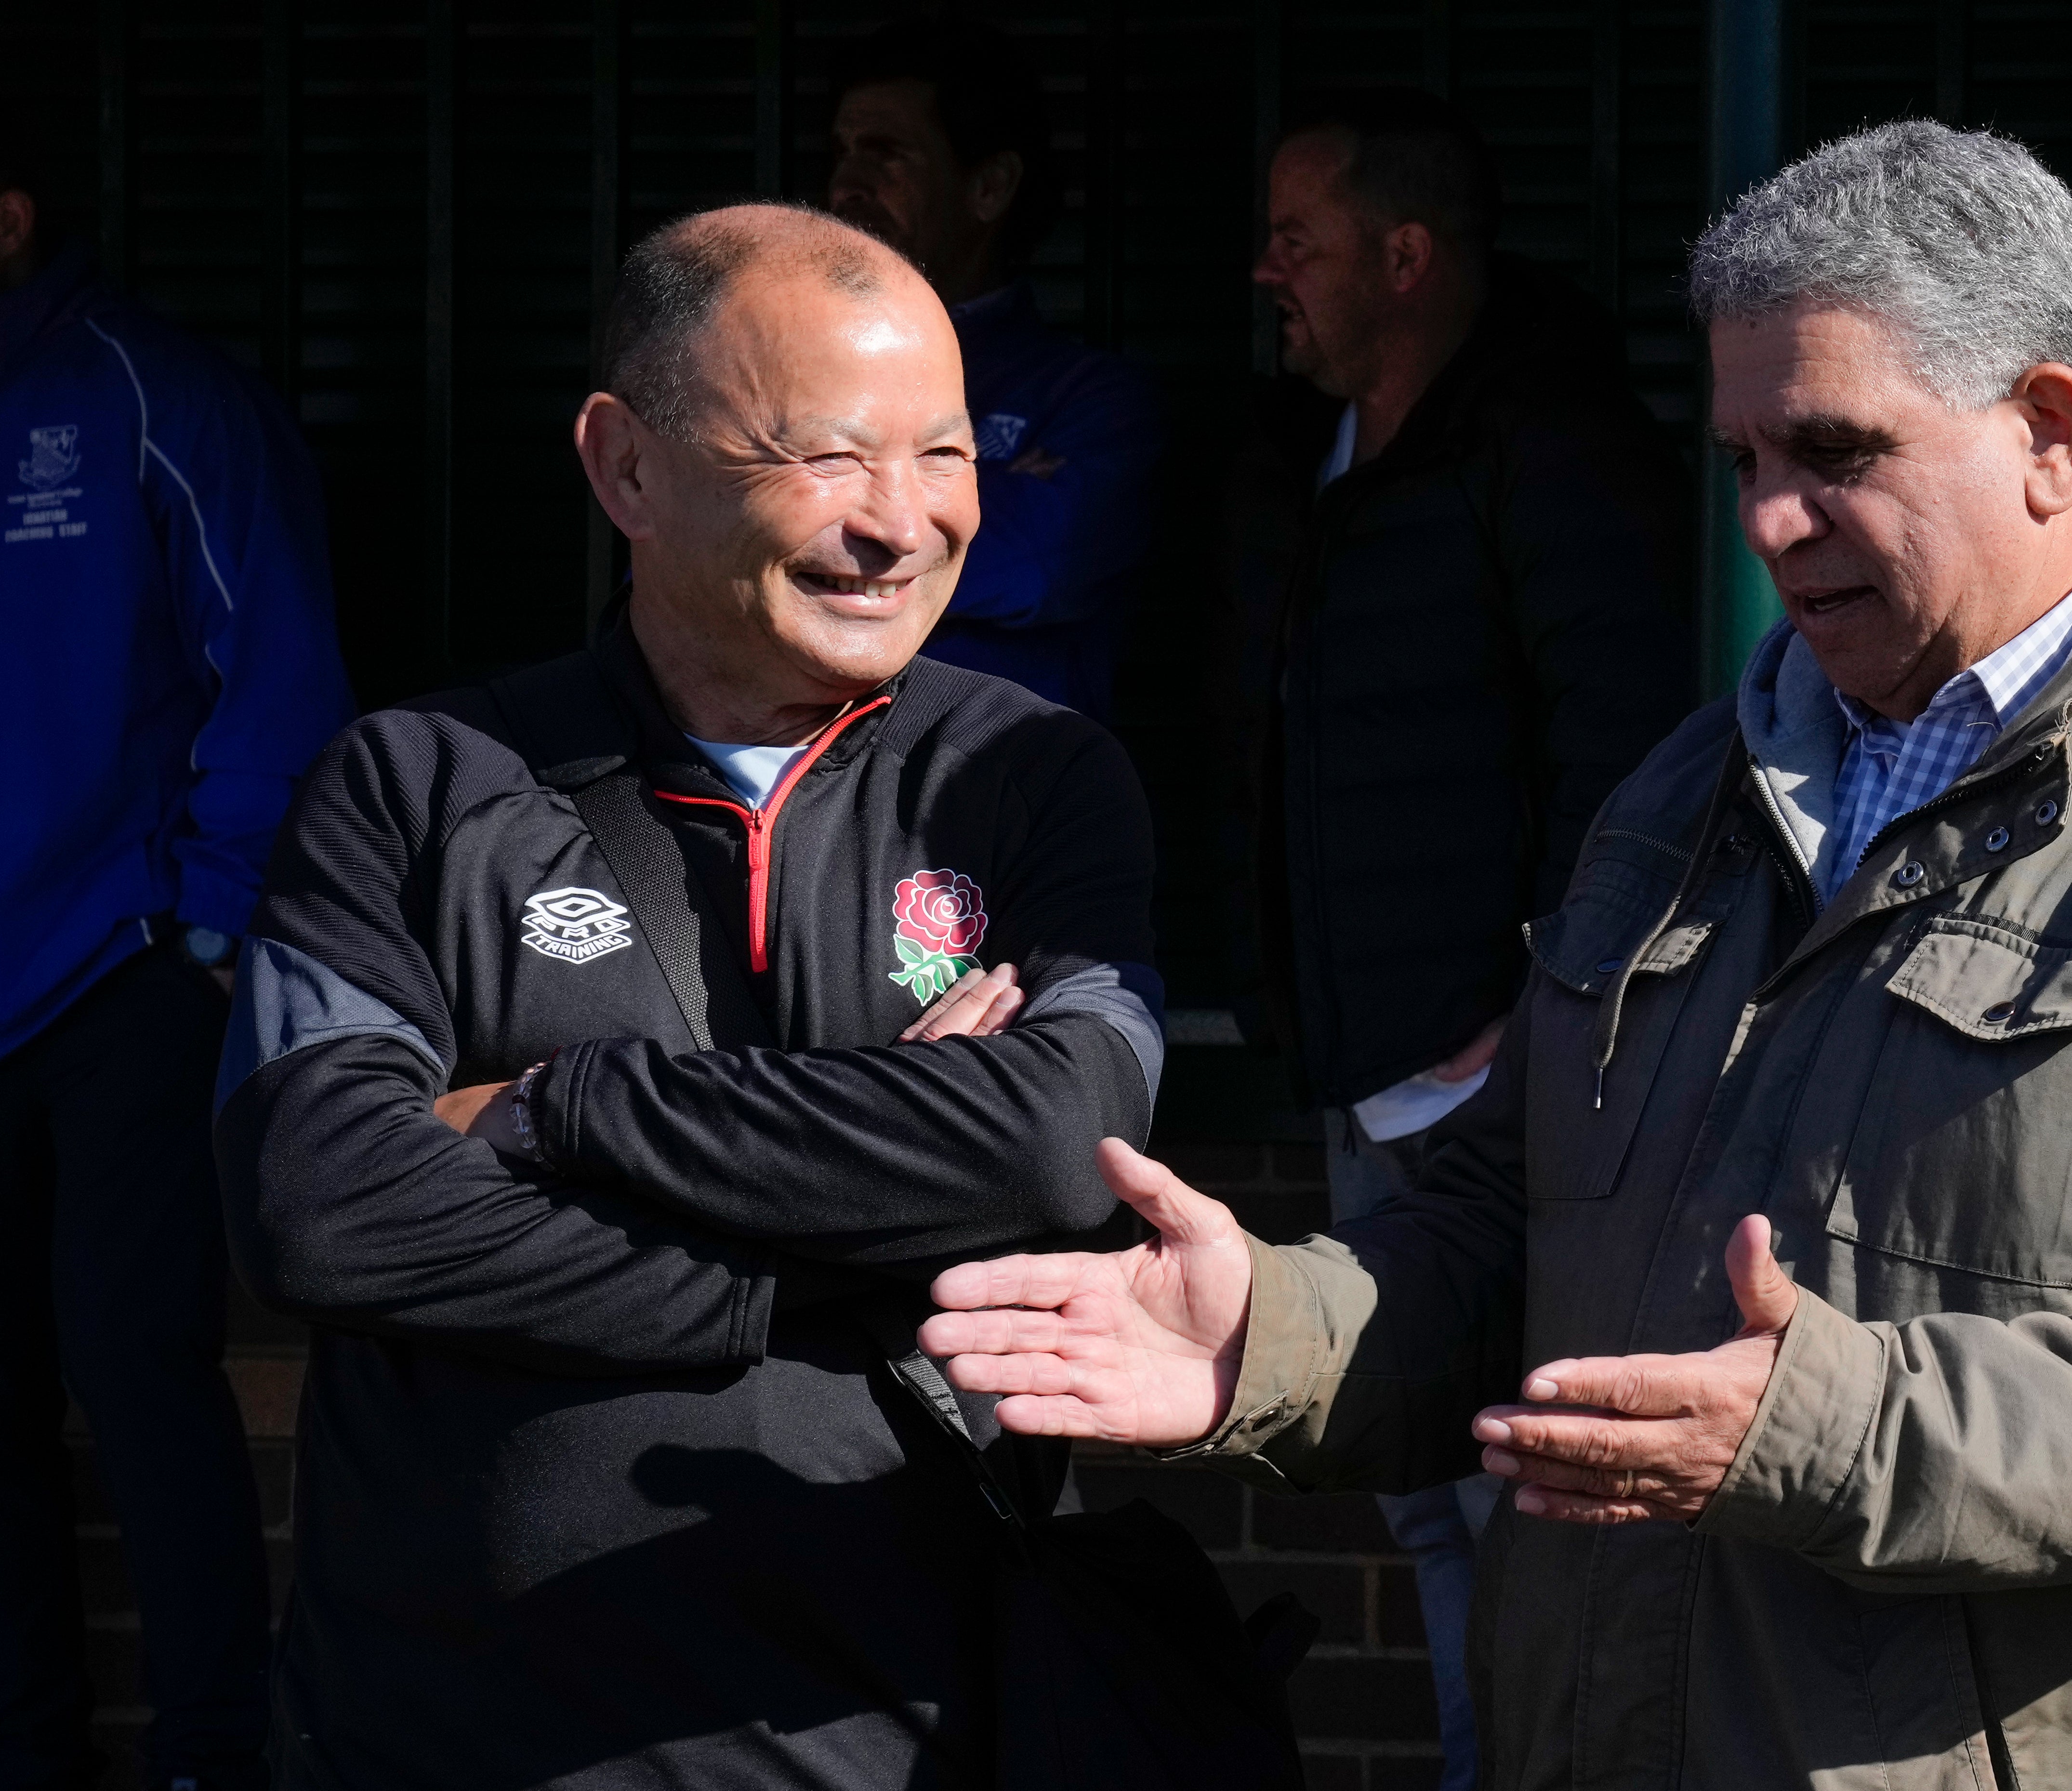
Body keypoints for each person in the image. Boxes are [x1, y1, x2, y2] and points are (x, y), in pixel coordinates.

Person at [925, 121, 2072, 1790]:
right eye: (1743, 458)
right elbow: (1503, 1229)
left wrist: (1821, 1426)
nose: (1766, 522)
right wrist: (1270, 1328)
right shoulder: (1695, 786)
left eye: (1832, 451)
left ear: (2051, 430)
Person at [214, 203, 1164, 1787]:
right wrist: (834, 1276)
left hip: (908, 1731)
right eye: (824, 454)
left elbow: (1055, 1144)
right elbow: (319, 1203)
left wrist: (556, 1100)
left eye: (943, 456)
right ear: (624, 465)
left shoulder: (1032, 781)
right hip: (446, 1731)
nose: (900, 520)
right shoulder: (410, 783)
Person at [1227, 89, 1694, 1788]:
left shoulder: (1547, 444)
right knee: (1424, 1484)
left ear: (1403, 255)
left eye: (1298, 237)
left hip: (1489, 1068)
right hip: (1369, 1066)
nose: (1263, 271)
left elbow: (1624, 743)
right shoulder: (1308, 457)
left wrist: (1534, 1008)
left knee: (1523, 1482)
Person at [0, 132, 349, 1791]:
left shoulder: (146, 390)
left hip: (112, 977)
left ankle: (216, 1755)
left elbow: (277, 676)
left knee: (139, 1370)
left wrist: (199, 938)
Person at [825, 16, 1160, 723]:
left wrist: (804, 508)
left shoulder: (1095, 397)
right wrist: (989, 495)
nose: (845, 183)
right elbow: (681, 553)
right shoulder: (781, 376)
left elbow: (1042, 562)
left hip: (996, 811)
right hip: (800, 810)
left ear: (989, 187)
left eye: (885, 155)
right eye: (844, 151)